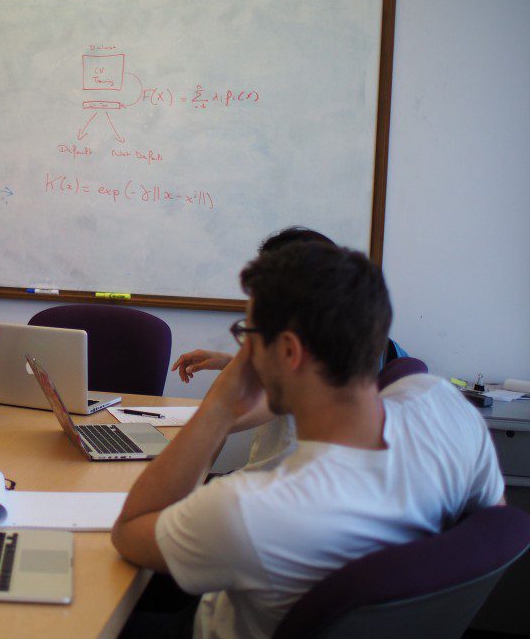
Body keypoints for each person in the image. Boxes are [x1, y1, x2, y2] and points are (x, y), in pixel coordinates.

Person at [111, 242, 504, 637]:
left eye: (248, 335)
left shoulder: (248, 507)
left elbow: (128, 531)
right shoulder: (445, 407)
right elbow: (491, 527)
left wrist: (218, 407)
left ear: (287, 351)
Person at [171, 227, 409, 464]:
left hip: (268, 485)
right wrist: (231, 360)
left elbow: (215, 421)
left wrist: (251, 344)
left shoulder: (297, 381)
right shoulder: (351, 346)